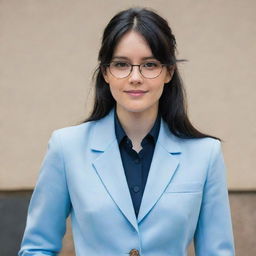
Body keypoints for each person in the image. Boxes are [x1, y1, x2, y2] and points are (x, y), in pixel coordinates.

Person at [18, 7, 235, 256]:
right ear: (105, 72)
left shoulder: (205, 154)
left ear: (169, 72)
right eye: (121, 64)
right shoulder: (66, 147)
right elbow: (37, 248)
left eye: (150, 64)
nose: (135, 77)